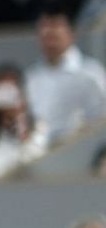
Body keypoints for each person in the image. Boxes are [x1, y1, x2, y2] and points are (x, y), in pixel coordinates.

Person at [23, 11, 106, 141]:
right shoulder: (31, 76)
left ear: (72, 33)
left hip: (77, 149)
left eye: (56, 25)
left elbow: (101, 120)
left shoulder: (90, 73)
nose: (49, 31)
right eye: (44, 26)